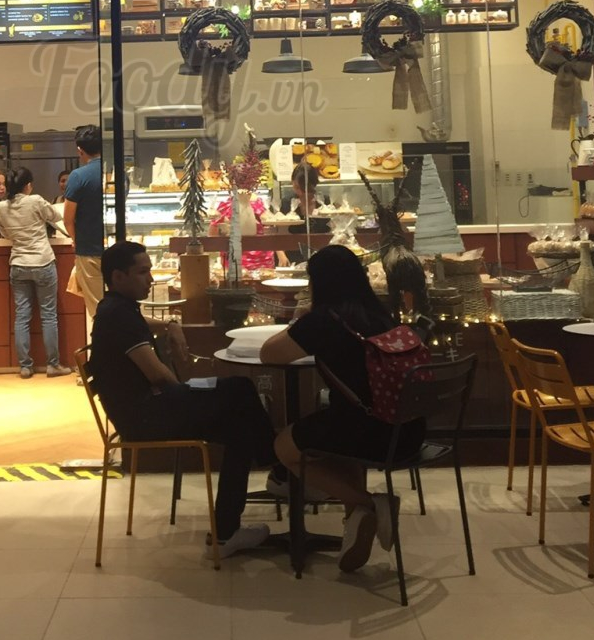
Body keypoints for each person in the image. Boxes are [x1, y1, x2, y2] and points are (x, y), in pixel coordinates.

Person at [87, 241, 278, 557]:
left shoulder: (114, 309)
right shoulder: (119, 315)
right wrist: (185, 393)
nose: (151, 279)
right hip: (147, 417)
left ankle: (226, 533)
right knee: (241, 389)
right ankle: (280, 468)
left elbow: (141, 328)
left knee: (240, 430)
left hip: (144, 412)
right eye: (143, 272)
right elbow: (157, 375)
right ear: (118, 277)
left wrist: (170, 324)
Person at [259, 244, 423, 572]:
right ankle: (354, 524)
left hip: (370, 430)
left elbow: (269, 354)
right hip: (409, 430)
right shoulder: (380, 314)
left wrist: (299, 320)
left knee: (285, 447)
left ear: (319, 283)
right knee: (337, 437)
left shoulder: (325, 320)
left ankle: (368, 504)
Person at [0, 166, 73, 379]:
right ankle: (53, 365)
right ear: (28, 185)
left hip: (18, 264)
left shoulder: (0, 207)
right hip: (42, 262)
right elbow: (55, 215)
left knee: (22, 316)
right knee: (48, 315)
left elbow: (5, 234)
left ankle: (25, 367)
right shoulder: (36, 200)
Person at [63, 125, 105, 323]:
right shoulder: (116, 172)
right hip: (115, 247)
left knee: (98, 308)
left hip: (89, 251)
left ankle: (104, 341)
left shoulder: (78, 176)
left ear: (80, 150)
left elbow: (68, 219)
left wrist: (75, 239)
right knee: (119, 304)